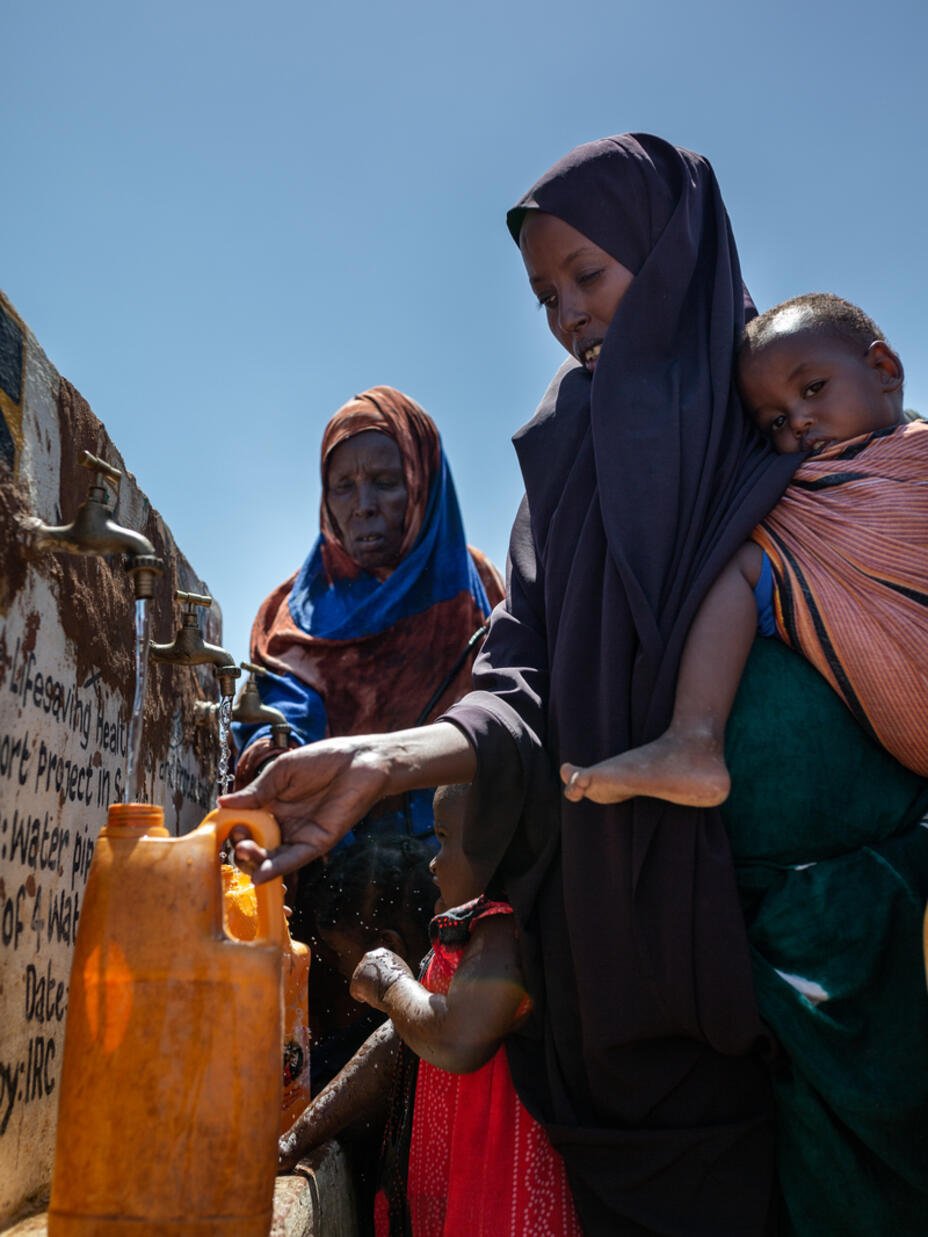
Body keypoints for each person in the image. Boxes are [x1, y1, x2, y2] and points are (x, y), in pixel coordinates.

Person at [225, 136, 928, 1234]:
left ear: (672, 251)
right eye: (544, 294)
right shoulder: (570, 448)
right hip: (647, 939)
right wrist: (383, 755)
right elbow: (524, 671)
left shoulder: (779, 404)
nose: (565, 313)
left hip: (853, 921)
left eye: (588, 275)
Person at [562, 292, 927, 807]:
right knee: (737, 563)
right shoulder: (792, 516)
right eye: (775, 422)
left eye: (814, 388)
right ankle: (693, 740)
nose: (798, 421)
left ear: (885, 368)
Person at [281, 784, 582, 1236]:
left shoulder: (506, 929)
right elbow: (397, 1042)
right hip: (457, 1195)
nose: (434, 863)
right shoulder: (462, 937)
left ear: (500, 849)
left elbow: (452, 1037)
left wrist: (390, 985)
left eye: (444, 838)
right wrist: (291, 1143)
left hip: (502, 1203)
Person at [232, 384, 505, 842]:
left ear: (423, 485)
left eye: (385, 483)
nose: (363, 507)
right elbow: (276, 715)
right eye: (343, 487)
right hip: (329, 861)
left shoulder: (475, 595)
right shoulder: (293, 615)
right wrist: (274, 758)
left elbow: (506, 720)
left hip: (461, 862)